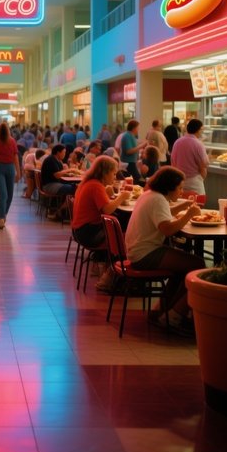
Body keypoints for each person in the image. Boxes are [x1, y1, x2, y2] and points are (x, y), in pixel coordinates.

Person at [124, 166, 204, 334]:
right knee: (198, 265)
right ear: (169, 187)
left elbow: (162, 214)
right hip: (145, 254)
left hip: (136, 251)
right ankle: (175, 315)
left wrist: (183, 207)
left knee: (182, 269)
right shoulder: (158, 199)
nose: (182, 192)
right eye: (180, 188)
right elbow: (167, 229)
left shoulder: (150, 195)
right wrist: (189, 214)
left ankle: (162, 312)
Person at [72, 155, 127, 292]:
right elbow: (107, 210)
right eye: (113, 173)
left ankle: (101, 266)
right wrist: (122, 197)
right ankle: (110, 277)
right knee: (124, 237)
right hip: (89, 233)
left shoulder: (89, 183)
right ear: (105, 172)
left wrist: (108, 193)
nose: (114, 177)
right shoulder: (96, 186)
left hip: (79, 230)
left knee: (120, 224)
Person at [0, 121, 21, 229]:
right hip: (1, 168)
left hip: (6, 168)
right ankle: (1, 218)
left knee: (9, 194)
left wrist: (18, 172)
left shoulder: (11, 141)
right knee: (4, 193)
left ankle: (4, 214)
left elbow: (15, 156)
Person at [170, 118, 209, 195]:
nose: (202, 132)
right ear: (198, 130)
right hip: (194, 182)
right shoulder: (198, 144)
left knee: (181, 201)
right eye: (201, 130)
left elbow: (172, 161)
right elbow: (204, 164)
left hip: (179, 181)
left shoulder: (177, 142)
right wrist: (201, 178)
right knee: (197, 201)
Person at [119, 120, 147, 184]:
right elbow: (128, 151)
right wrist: (141, 146)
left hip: (132, 163)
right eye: (138, 128)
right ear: (134, 128)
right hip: (128, 163)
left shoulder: (131, 136)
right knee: (138, 181)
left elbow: (134, 147)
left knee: (136, 181)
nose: (138, 130)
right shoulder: (127, 136)